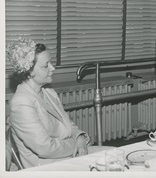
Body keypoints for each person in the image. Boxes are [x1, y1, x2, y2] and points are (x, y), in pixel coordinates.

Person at [6, 38, 110, 169]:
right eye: (46, 65)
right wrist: (75, 143)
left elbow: (68, 124)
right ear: (29, 72)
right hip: (47, 166)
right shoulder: (21, 103)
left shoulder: (48, 92)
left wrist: (80, 138)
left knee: (114, 154)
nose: (53, 68)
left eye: (51, 62)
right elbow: (45, 148)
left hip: (67, 154)